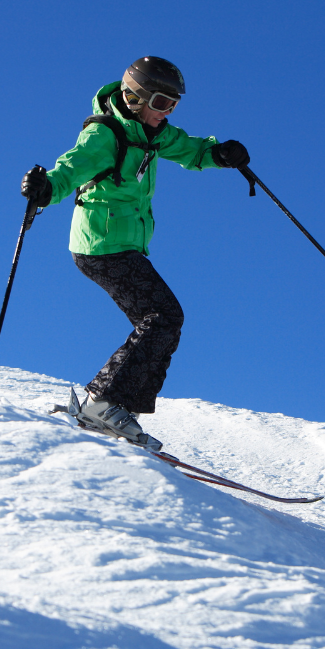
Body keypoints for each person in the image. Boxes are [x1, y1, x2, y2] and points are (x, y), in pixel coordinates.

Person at [20, 56, 249, 452]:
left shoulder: (153, 134)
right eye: (161, 103)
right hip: (100, 245)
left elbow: (190, 149)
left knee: (164, 321)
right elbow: (71, 168)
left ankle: (118, 408)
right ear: (133, 97)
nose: (167, 113)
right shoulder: (105, 136)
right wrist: (46, 189)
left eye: (174, 105)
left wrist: (220, 154)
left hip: (123, 245)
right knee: (161, 316)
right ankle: (103, 403)